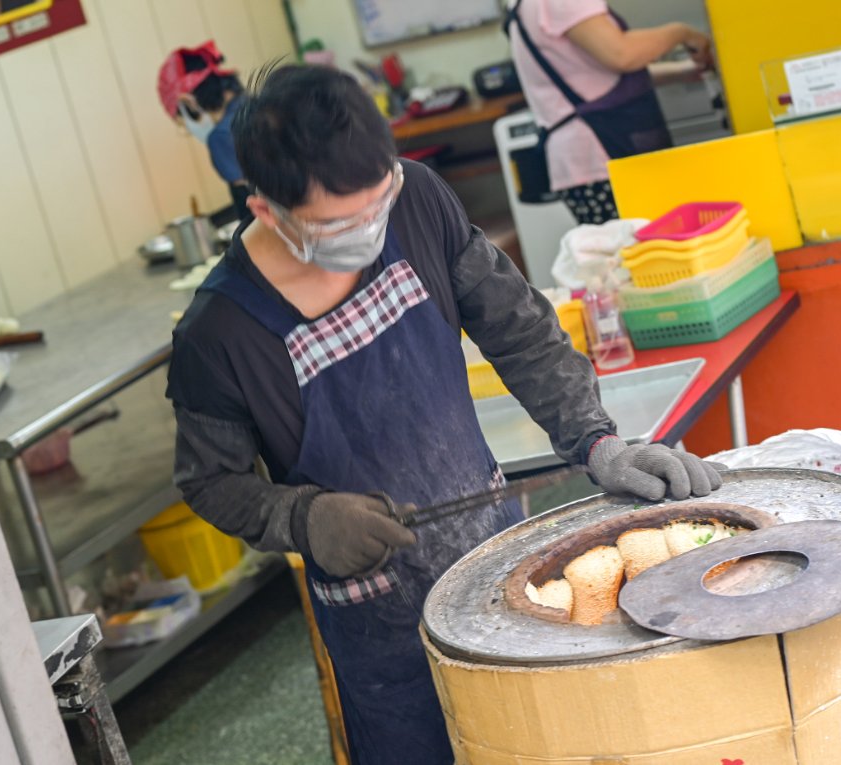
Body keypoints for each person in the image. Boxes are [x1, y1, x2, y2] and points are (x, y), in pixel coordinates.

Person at [165, 64, 722, 765]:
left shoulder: (418, 201)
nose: (371, 230)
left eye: (379, 202)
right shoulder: (218, 335)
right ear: (264, 209)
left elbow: (518, 329)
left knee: (540, 741)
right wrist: (304, 519)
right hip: (379, 614)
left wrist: (595, 439)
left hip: (496, 553)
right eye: (341, 223)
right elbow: (210, 482)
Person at [505, 0, 712, 225]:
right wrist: (681, 33)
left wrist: (682, 72)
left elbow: (596, 80)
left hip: (585, 161)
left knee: (631, 253)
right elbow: (621, 54)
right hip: (602, 158)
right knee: (648, 250)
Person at [157, 41, 251, 220]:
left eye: (183, 118)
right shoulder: (259, 104)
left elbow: (255, 209)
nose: (189, 127)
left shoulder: (221, 138)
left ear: (188, 101)